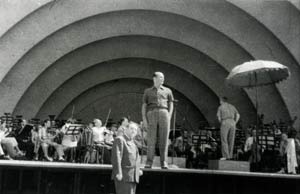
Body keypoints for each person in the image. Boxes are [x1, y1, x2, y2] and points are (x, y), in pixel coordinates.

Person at [142, 72, 174, 169]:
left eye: (163, 77)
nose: (163, 79)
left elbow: (171, 103)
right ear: (154, 79)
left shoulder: (168, 90)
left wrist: (169, 115)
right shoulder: (147, 91)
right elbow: (144, 105)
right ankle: (149, 162)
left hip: (164, 112)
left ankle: (164, 162)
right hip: (152, 112)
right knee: (151, 139)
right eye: (160, 77)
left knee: (164, 139)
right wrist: (144, 119)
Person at [111, 122, 143, 194]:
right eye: (131, 128)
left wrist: (138, 170)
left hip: (132, 177)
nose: (133, 131)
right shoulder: (120, 140)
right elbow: (116, 157)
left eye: (135, 129)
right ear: (126, 129)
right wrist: (118, 173)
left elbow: (135, 159)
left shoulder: (133, 143)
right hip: (124, 176)